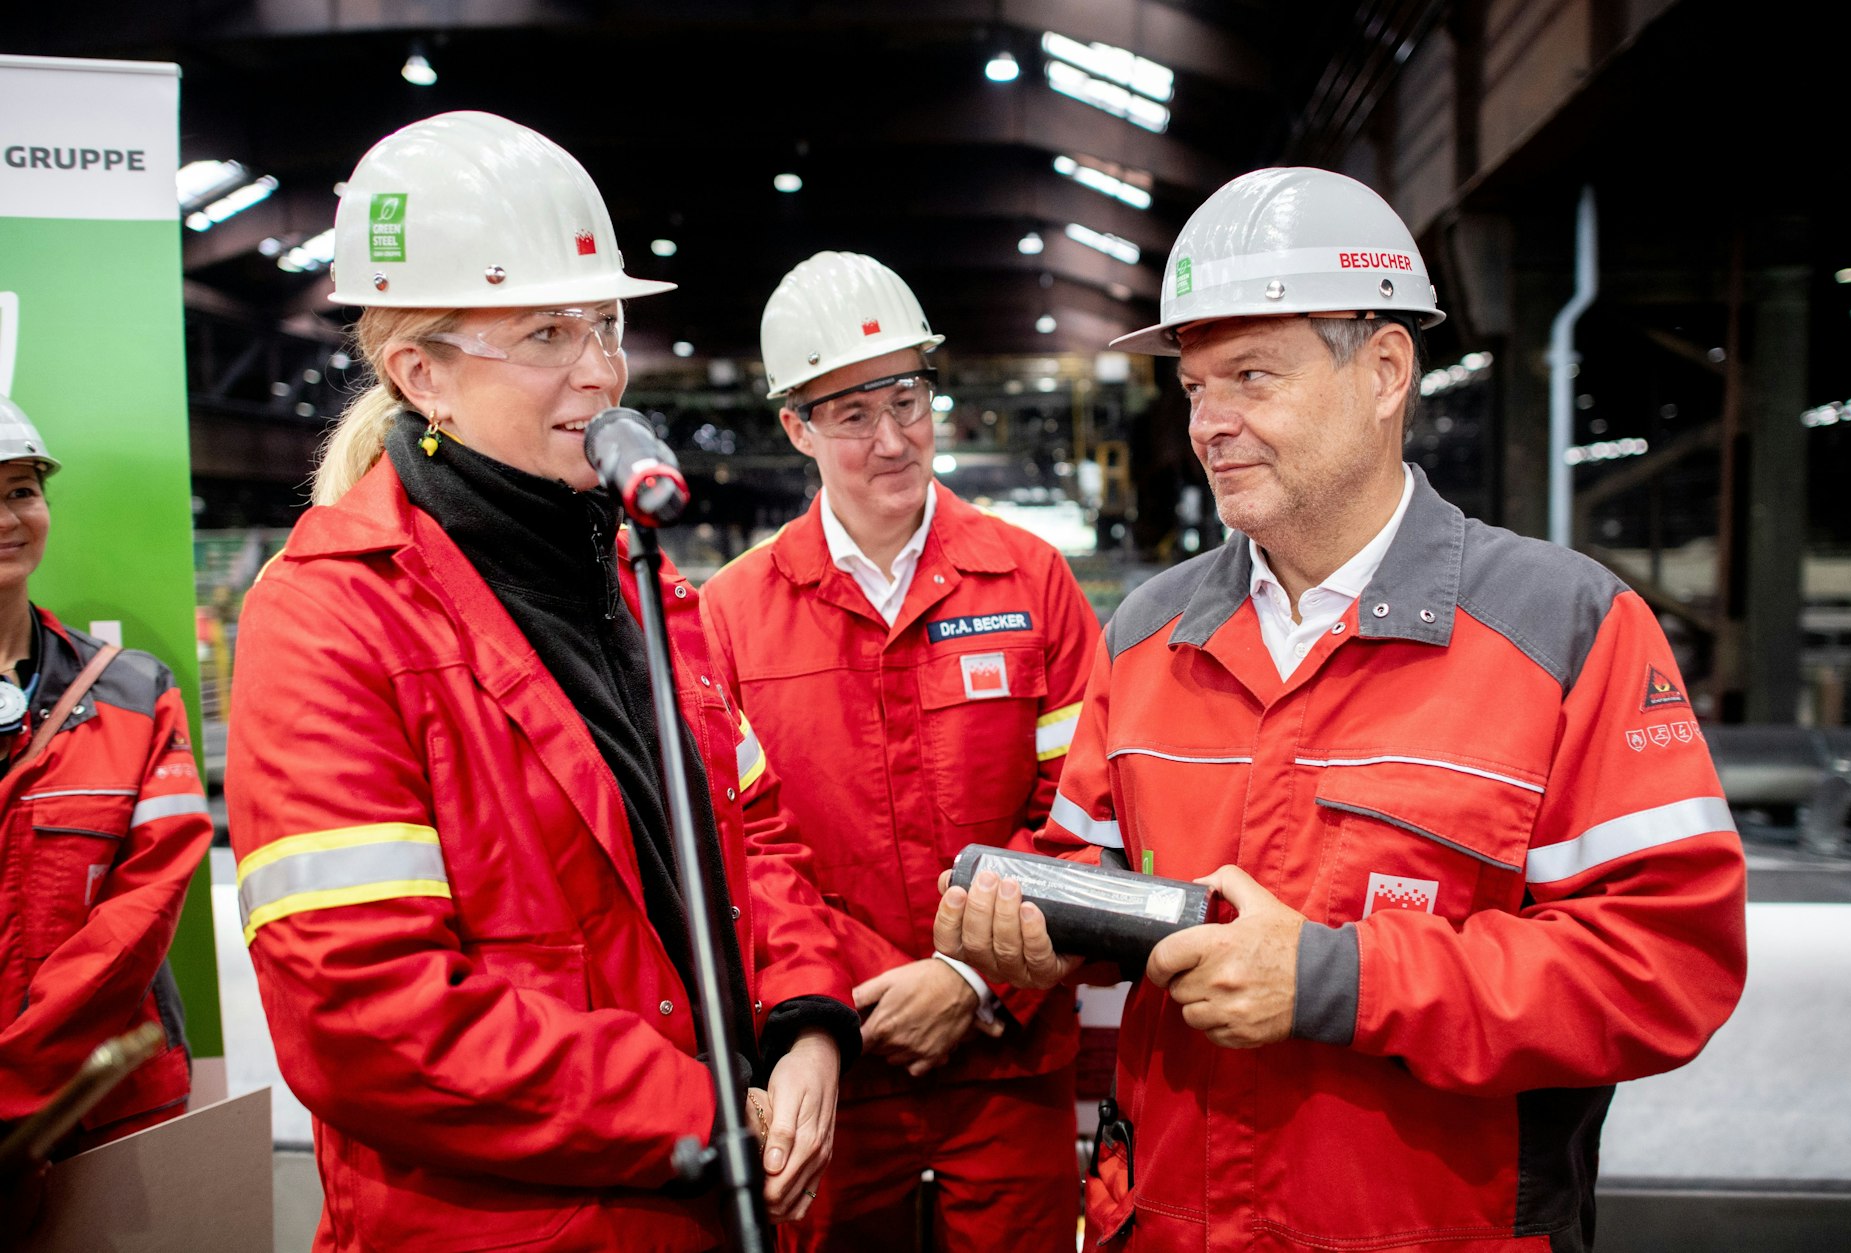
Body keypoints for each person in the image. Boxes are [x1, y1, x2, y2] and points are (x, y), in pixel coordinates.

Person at [936, 167, 1748, 1252]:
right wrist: (1030, 921)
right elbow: (1094, 868)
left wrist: (1341, 978)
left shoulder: (1563, 629)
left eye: (1251, 378)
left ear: (1381, 369)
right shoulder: (1148, 631)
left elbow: (1663, 967)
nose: (1208, 424)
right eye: (1192, 388)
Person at [224, 112, 859, 1253]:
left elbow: (755, 839)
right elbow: (364, 1011)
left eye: (606, 324)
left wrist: (810, 1019)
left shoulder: (637, 578)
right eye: (546, 333)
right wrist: (694, 1106)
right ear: (422, 373)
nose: (601, 371)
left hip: (721, 1196)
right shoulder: (330, 614)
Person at [702, 251, 1099, 1250]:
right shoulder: (731, 616)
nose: (891, 439)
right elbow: (747, 853)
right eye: (851, 412)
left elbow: (1087, 809)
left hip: (1008, 1072)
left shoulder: (1028, 579)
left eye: (908, 398)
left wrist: (965, 982)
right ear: (795, 425)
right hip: (837, 1070)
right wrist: (857, 1000)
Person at [0, 394, 211, 1155]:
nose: (7, 518)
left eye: (22, 490)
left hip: (106, 1117)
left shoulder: (133, 690)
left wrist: (14, 1079)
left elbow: (143, 912)